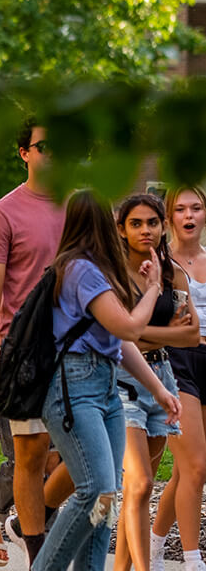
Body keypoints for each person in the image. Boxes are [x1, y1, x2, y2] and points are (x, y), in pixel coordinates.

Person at [31, 189, 182, 571]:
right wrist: (152, 291)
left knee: (107, 497)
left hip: (107, 387)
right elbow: (131, 328)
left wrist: (159, 389)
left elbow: (117, 343)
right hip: (74, 387)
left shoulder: (97, 270)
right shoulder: (80, 270)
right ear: (103, 224)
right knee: (95, 490)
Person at [0, 121, 68, 566]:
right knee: (29, 457)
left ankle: (5, 518)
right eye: (43, 146)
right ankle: (37, 551)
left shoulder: (82, 208)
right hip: (21, 353)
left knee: (71, 459)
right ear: (24, 153)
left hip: (75, 351)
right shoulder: (3, 212)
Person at [113, 194, 195, 571]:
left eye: (152, 222)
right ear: (122, 229)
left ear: (163, 226)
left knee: (137, 490)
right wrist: (163, 333)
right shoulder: (110, 273)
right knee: (142, 483)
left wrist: (139, 333)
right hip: (121, 383)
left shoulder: (172, 272)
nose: (145, 230)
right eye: (136, 223)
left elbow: (192, 334)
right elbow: (115, 338)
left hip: (161, 379)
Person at [151, 186, 206, 571]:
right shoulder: (159, 264)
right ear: (169, 216)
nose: (189, 216)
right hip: (176, 361)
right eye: (181, 209)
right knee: (197, 468)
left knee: (187, 470)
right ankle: (192, 560)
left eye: (197, 208)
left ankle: (154, 545)